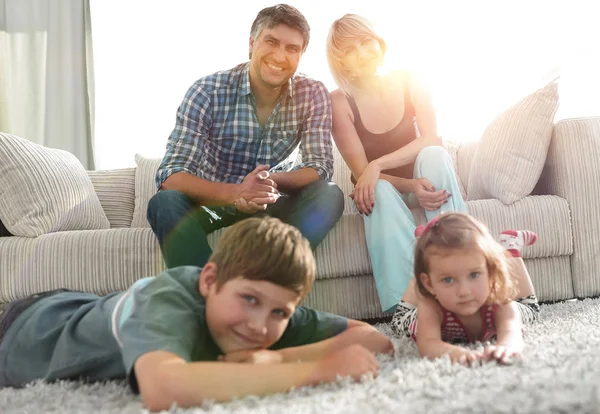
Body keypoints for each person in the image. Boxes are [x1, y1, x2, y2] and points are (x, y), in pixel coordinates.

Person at [0, 217, 393, 411]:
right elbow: (163, 390)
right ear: (209, 280)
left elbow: (374, 339)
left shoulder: (266, 315)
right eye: (249, 300)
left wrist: (277, 354)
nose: (259, 325)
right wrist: (311, 370)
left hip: (88, 306)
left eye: (279, 311)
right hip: (24, 327)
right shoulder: (168, 298)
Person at [147, 4, 344, 269]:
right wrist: (237, 191)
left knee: (328, 193)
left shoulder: (312, 94)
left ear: (301, 54)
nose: (280, 55)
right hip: (213, 203)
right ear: (252, 44)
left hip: (271, 203)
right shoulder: (207, 91)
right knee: (165, 202)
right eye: (271, 42)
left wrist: (267, 184)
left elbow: (320, 166)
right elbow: (171, 176)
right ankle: (207, 296)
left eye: (292, 48)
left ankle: (274, 283)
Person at [326, 14, 467, 313]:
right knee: (375, 188)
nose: (362, 54)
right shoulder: (338, 102)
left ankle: (465, 272)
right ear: (341, 61)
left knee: (434, 155)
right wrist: (387, 176)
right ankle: (410, 307)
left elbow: (431, 138)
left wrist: (378, 164)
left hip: (423, 177)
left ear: (379, 44)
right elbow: (362, 174)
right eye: (350, 50)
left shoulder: (411, 78)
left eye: (366, 42)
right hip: (384, 190)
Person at [391, 212, 541, 365]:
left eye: (474, 275)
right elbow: (428, 344)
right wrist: (456, 352)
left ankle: (511, 247)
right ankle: (424, 252)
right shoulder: (430, 305)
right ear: (429, 284)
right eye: (448, 280)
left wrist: (507, 347)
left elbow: (512, 332)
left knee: (532, 311)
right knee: (398, 322)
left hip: (489, 294)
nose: (464, 291)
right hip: (420, 317)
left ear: (490, 271)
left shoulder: (500, 302)